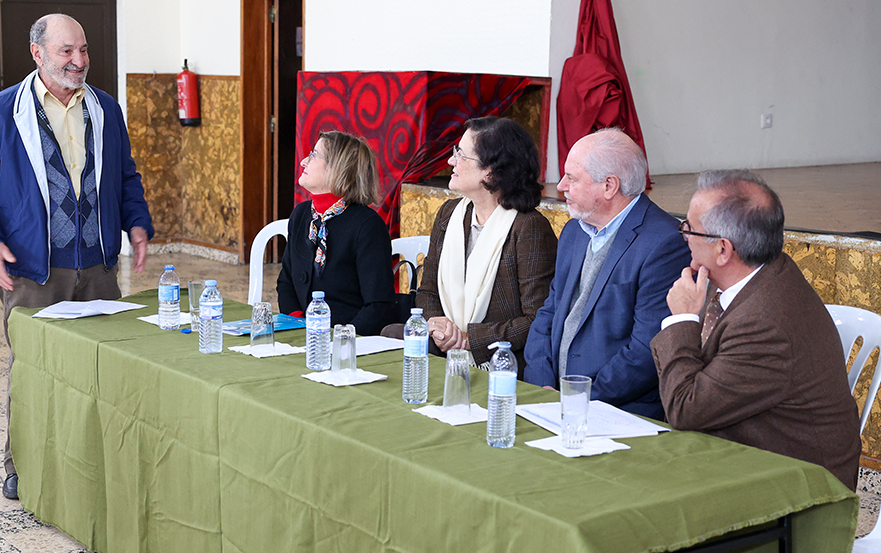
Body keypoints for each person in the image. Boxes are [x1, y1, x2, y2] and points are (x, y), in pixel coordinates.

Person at [0, 14, 154, 500]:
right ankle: (19, 464)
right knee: (33, 371)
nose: (79, 61)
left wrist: (137, 222)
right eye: (67, 51)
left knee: (101, 368)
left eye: (83, 50)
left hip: (99, 268)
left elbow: (125, 175)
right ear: (38, 53)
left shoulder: (105, 109)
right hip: (35, 273)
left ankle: (92, 463)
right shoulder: (1, 112)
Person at [651, 169, 860, 490]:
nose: (683, 237)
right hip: (746, 456)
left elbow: (685, 409)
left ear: (723, 249)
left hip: (797, 488)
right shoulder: (755, 271)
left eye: (689, 228)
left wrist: (681, 320)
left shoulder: (765, 322)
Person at [523, 129, 690, 419]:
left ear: (609, 186)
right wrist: (542, 385)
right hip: (551, 401)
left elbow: (646, 350)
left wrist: (577, 398)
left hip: (619, 413)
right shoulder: (574, 230)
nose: (561, 186)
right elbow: (548, 313)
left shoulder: (664, 244)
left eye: (572, 178)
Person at [409, 116, 557, 375]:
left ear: (490, 171)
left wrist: (468, 340)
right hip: (445, 351)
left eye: (460, 155)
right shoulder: (448, 214)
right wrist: (437, 324)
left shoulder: (529, 227)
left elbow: (537, 320)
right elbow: (427, 291)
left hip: (500, 364)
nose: (450, 161)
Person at [276, 131, 396, 335]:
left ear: (337, 168)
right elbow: (286, 282)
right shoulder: (301, 215)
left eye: (314, 155)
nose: (304, 161)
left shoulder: (367, 226)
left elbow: (378, 305)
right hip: (307, 336)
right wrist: (300, 326)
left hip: (350, 342)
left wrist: (340, 340)